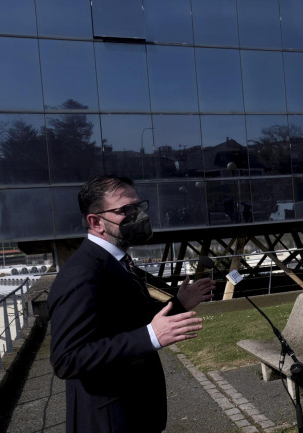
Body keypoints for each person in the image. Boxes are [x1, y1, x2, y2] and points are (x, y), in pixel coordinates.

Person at [48, 175, 216, 433]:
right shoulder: (82, 273)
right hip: (110, 419)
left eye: (138, 207)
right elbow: (67, 359)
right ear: (96, 222)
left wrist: (180, 303)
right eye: (125, 210)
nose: (137, 215)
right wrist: (150, 337)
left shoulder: (117, 262)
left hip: (138, 412)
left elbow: (129, 320)